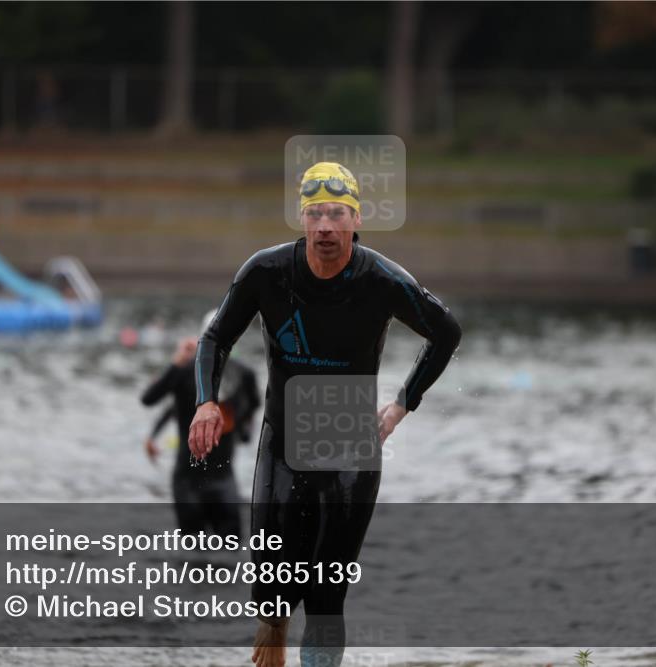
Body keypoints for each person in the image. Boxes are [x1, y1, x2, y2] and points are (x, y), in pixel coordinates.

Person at [188, 162, 462, 667]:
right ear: (302, 218)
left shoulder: (381, 280)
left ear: (355, 221)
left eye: (336, 215)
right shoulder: (267, 272)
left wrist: (403, 403)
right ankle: (272, 628)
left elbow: (446, 333)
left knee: (326, 594)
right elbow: (215, 337)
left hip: (351, 446)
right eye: (315, 214)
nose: (325, 228)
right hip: (283, 441)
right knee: (271, 587)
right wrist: (206, 400)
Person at [142, 310, 260, 537]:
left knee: (230, 552)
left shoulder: (245, 375)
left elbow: (253, 405)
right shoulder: (186, 371)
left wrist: (245, 430)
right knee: (193, 556)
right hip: (188, 480)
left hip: (224, 479)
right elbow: (151, 400)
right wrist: (176, 362)